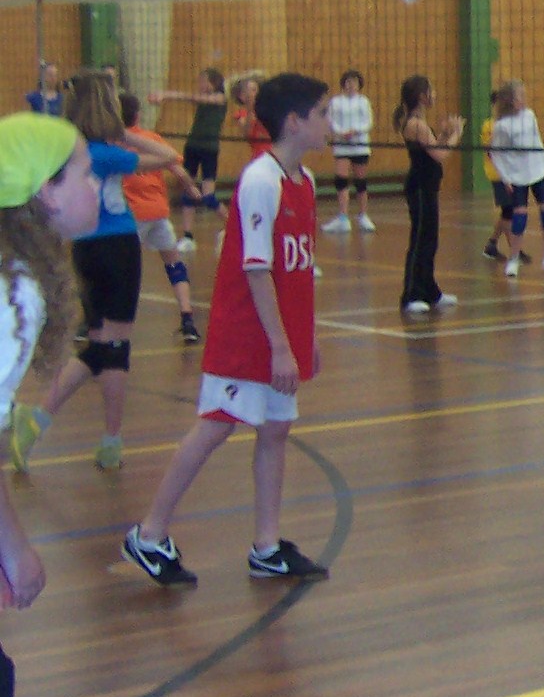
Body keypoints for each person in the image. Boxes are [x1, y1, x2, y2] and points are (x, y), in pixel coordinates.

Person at [120, 74, 332, 587]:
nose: (331, 123)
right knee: (216, 424)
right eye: (323, 113)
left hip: (280, 333)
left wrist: (307, 338)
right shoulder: (262, 181)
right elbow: (256, 269)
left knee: (276, 429)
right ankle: (148, 535)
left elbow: (294, 271)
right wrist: (281, 345)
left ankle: (266, 546)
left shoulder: (302, 181)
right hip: (247, 333)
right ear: (295, 122)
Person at [11, 72, 185, 472]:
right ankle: (110, 441)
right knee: (116, 349)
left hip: (85, 250)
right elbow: (168, 157)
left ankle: (37, 422)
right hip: (119, 248)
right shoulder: (106, 153)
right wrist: (126, 132)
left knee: (98, 347)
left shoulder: (71, 153)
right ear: (106, 109)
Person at [0, 112, 105, 697]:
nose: (97, 187)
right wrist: (17, 552)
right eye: (86, 175)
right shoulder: (17, 296)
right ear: (45, 190)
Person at [118, 92, 202, 344]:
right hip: (159, 214)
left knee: (119, 272)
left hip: (133, 217)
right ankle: (187, 318)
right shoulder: (151, 139)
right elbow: (178, 169)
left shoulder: (113, 144)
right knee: (174, 265)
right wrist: (191, 189)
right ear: (138, 115)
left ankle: (105, 323)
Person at [396, 75, 462, 315]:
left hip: (428, 187)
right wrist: (456, 134)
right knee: (420, 240)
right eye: (431, 91)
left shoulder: (421, 123)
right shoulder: (416, 124)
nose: (434, 95)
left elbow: (433, 147)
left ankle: (430, 290)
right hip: (420, 188)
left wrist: (444, 135)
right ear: (422, 97)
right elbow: (439, 155)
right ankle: (411, 294)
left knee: (430, 240)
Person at [149, 67, 228, 251]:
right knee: (188, 191)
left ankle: (233, 227)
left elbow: (194, 98)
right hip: (193, 146)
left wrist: (167, 94)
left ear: (213, 84)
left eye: (203, 81)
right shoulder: (204, 99)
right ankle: (188, 236)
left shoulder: (220, 98)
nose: (199, 85)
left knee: (208, 196)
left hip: (209, 148)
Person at [490, 79, 544, 278]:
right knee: (519, 217)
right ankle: (513, 259)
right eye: (520, 96)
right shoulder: (502, 126)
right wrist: (505, 178)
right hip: (517, 174)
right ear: (511, 101)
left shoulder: (529, 116)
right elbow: (495, 153)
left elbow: (537, 141)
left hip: (537, 170)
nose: (524, 99)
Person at [324, 69, 376, 234]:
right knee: (341, 179)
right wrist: (341, 132)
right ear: (343, 83)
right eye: (348, 81)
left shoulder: (363, 101)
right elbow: (330, 120)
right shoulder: (336, 102)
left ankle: (363, 216)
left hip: (360, 145)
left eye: (354, 81)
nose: (351, 85)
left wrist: (355, 131)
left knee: (360, 181)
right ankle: (343, 218)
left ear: (359, 84)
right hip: (342, 145)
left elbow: (368, 122)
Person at [479, 89, 513, 264]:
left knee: (508, 210)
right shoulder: (489, 125)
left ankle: (492, 244)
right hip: (497, 173)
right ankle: (515, 250)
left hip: (510, 173)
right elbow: (490, 150)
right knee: (509, 210)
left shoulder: (509, 124)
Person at [231, 75, 271, 162]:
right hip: (259, 157)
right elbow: (247, 133)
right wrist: (250, 109)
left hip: (275, 155)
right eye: (253, 90)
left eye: (256, 90)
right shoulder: (241, 114)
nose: (257, 93)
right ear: (242, 96)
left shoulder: (266, 110)